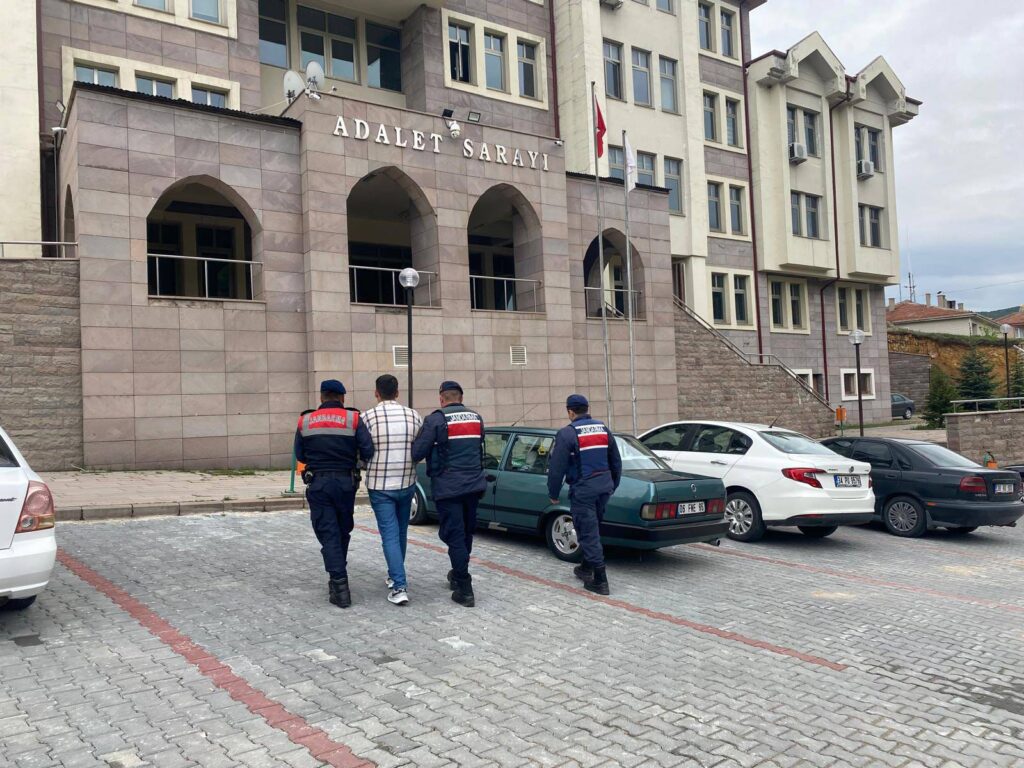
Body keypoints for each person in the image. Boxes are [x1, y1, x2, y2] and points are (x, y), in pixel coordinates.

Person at [295, 379, 374, 608]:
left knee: (328, 532)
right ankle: (338, 573)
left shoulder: (305, 420)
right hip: (346, 483)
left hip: (319, 483)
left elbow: (300, 455)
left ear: (321, 397)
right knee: (342, 530)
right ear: (342, 398)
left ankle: (339, 584)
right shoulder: (353, 418)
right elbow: (368, 450)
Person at [411, 380, 486, 607]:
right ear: (461, 398)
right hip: (474, 486)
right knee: (465, 533)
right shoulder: (476, 418)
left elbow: (417, 452)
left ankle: (464, 587)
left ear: (441, 399)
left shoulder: (435, 420)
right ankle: (457, 572)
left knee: (454, 535)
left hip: (449, 487)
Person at [547, 394, 622, 595]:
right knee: (593, 527)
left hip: (584, 491)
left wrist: (553, 492)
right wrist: (613, 484)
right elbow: (615, 460)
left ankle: (600, 580)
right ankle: (586, 567)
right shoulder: (602, 428)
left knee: (587, 532)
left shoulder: (567, 433)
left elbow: (556, 468)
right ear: (587, 409)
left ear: (570, 412)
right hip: (604, 488)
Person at [362, 374, 423, 606]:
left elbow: (363, 449)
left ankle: (399, 586)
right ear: (397, 392)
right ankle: (394, 575)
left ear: (376, 393)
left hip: (380, 485)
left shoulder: (367, 417)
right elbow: (419, 447)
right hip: (407, 482)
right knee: (401, 532)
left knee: (389, 534)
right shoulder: (413, 416)